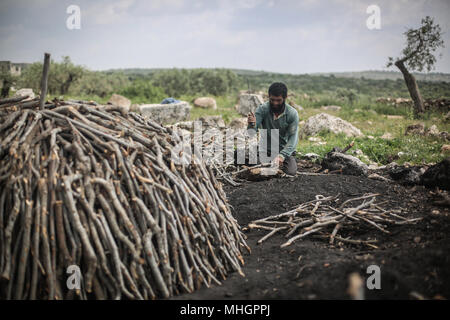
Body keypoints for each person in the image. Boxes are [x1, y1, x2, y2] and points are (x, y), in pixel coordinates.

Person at [247, 82, 299, 176]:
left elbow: (293, 138)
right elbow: (251, 133)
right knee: (255, 166)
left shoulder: (292, 113)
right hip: (265, 150)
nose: (275, 103)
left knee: (291, 172)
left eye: (278, 100)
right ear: (268, 96)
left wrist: (282, 156)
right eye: (272, 100)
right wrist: (251, 124)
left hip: (283, 151)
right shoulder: (262, 109)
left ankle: (273, 167)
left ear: (285, 98)